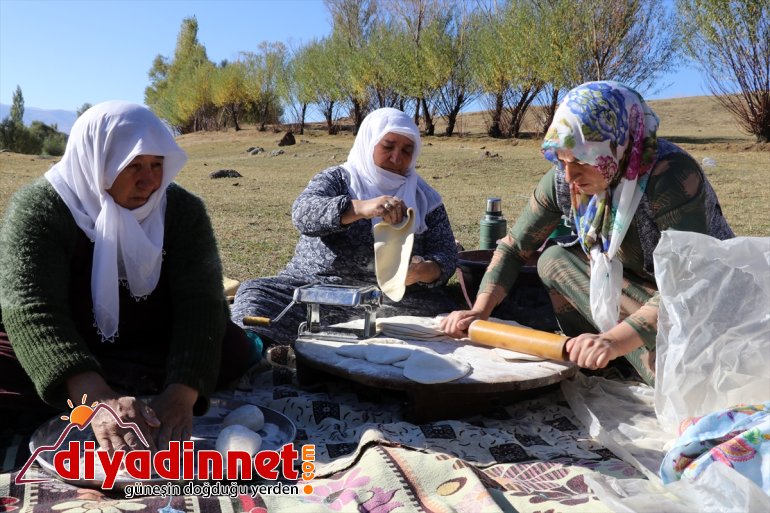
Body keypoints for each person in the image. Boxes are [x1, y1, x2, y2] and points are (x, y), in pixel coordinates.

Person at [0, 101, 258, 451]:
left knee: (231, 347)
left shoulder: (183, 211)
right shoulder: (39, 209)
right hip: (72, 339)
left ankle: (129, 385)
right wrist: (94, 396)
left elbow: (202, 303)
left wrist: (182, 391)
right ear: (97, 161)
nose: (150, 180)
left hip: (151, 340)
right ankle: (106, 385)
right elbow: (32, 308)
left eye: (157, 164)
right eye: (134, 165)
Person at [441, 81, 733, 385]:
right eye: (562, 159)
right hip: (638, 292)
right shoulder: (564, 179)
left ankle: (630, 357)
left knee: (683, 382)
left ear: (618, 147)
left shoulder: (670, 177)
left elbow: (690, 281)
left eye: (582, 160)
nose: (570, 175)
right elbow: (515, 248)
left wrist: (614, 342)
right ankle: (606, 364)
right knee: (553, 260)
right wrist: (479, 311)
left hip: (705, 300)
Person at [232, 107, 458, 346]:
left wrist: (423, 271)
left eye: (406, 150)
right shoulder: (339, 179)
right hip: (319, 291)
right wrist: (359, 208)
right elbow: (303, 213)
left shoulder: (425, 198)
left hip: (391, 301)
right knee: (257, 295)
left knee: (447, 316)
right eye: (388, 146)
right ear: (369, 142)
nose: (396, 158)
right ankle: (253, 351)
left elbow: (446, 253)